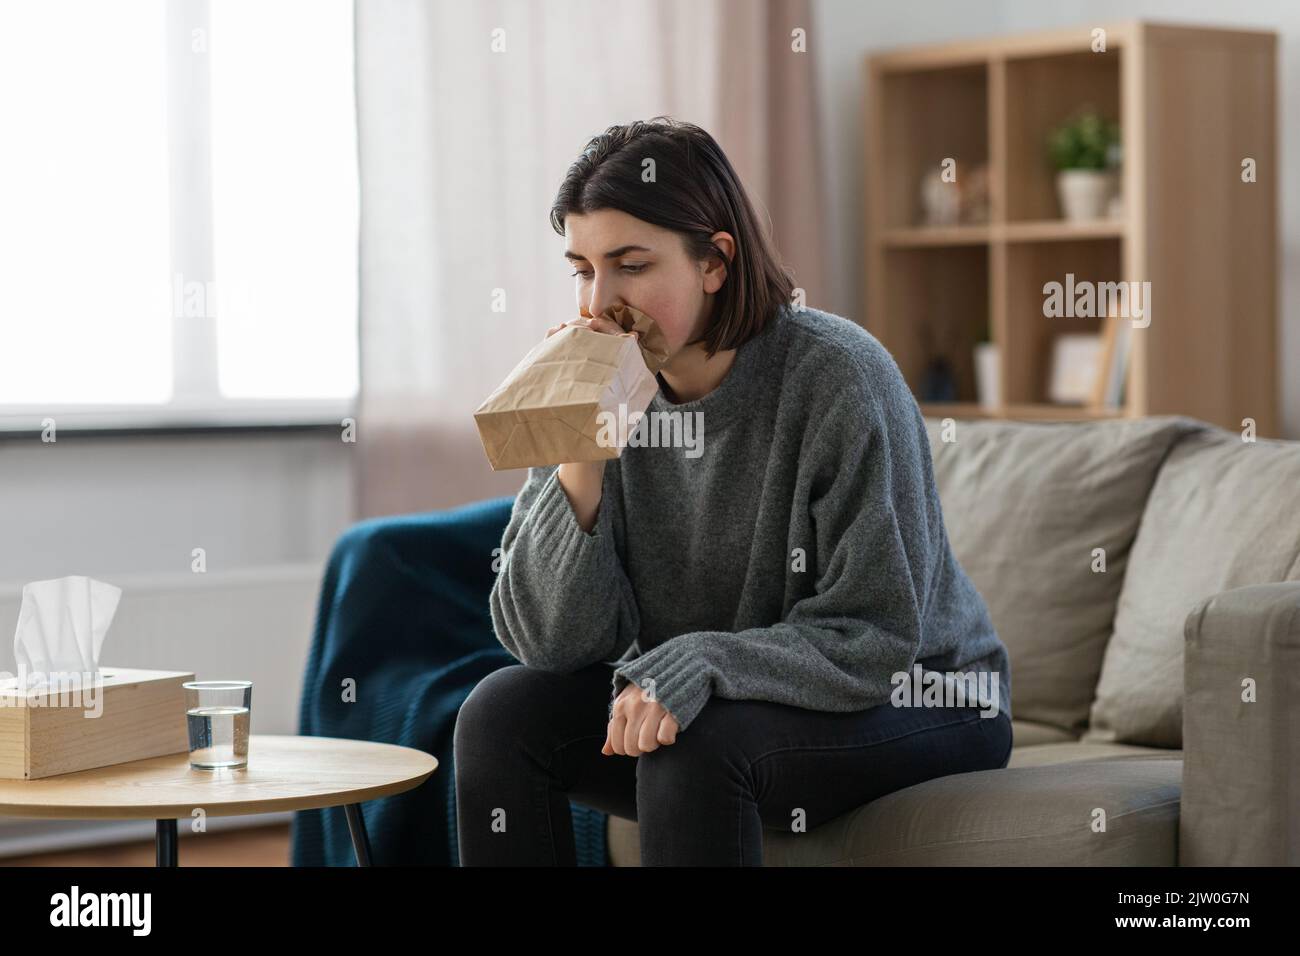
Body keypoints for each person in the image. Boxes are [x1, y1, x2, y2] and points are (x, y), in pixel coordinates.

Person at [454, 116, 1013, 866]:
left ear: (715, 261)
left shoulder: (837, 378)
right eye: (583, 268)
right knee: (500, 713)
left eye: (630, 265)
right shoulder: (601, 380)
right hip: (730, 695)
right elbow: (556, 646)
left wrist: (699, 665)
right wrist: (579, 461)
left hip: (921, 697)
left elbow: (874, 634)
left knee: (697, 747)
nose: (597, 304)